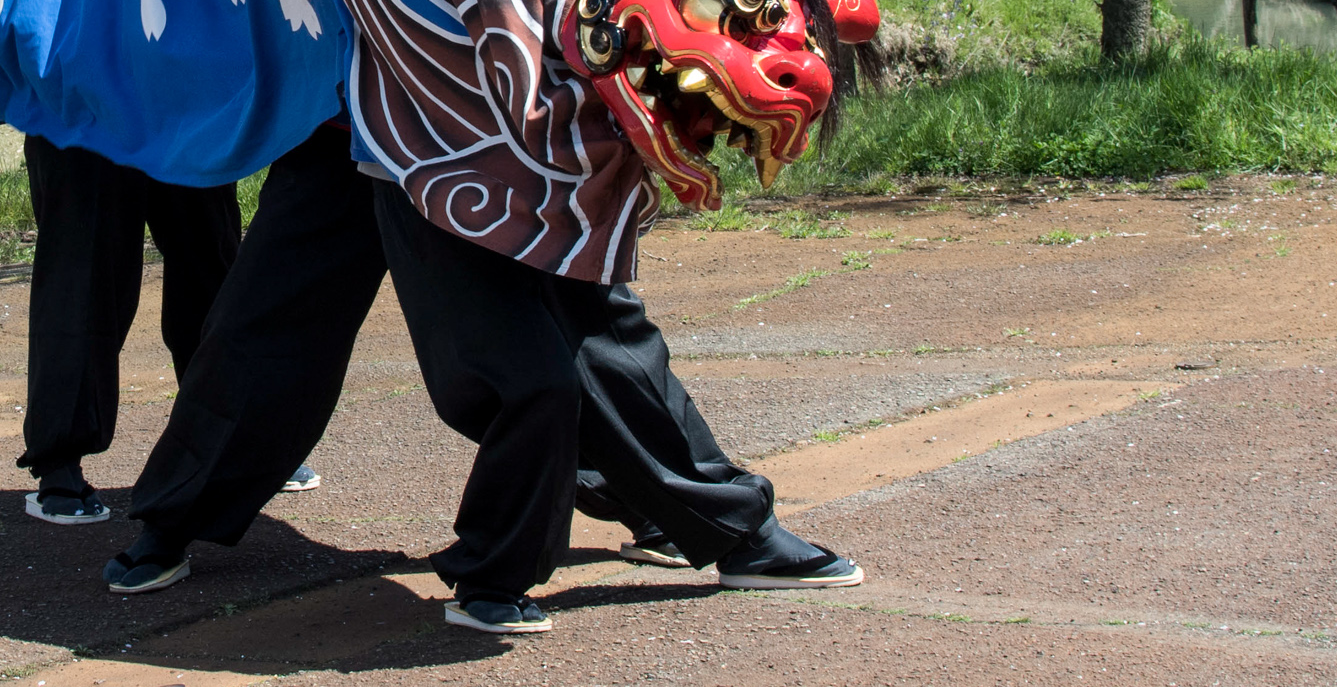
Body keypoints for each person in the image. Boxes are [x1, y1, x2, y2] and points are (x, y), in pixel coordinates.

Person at [100, 125, 861, 633]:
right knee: (269, 313)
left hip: (483, 89)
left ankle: (712, 520)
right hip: (353, 82)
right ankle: (173, 516)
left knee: (578, 310)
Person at [16, 133, 318, 524]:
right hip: (79, 91)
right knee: (82, 270)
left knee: (212, 264)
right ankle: (59, 460)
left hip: (186, 96)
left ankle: (240, 441)